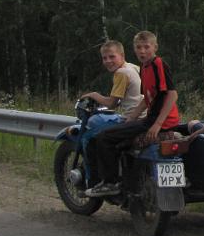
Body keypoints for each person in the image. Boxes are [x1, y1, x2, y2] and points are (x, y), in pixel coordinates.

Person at [85, 31, 181, 197]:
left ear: (155, 47)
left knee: (104, 138)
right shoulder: (143, 68)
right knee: (120, 140)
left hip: (157, 121)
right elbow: (146, 99)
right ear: (134, 50)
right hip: (149, 119)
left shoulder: (158, 64)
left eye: (146, 47)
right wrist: (131, 119)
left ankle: (110, 182)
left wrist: (157, 125)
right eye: (138, 47)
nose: (142, 51)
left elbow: (172, 95)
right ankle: (129, 183)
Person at [77, 40, 143, 179]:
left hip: (131, 119)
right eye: (105, 58)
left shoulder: (121, 73)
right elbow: (129, 96)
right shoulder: (134, 68)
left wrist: (94, 95)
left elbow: (111, 103)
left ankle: (101, 179)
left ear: (122, 55)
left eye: (112, 57)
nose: (108, 61)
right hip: (143, 118)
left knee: (89, 137)